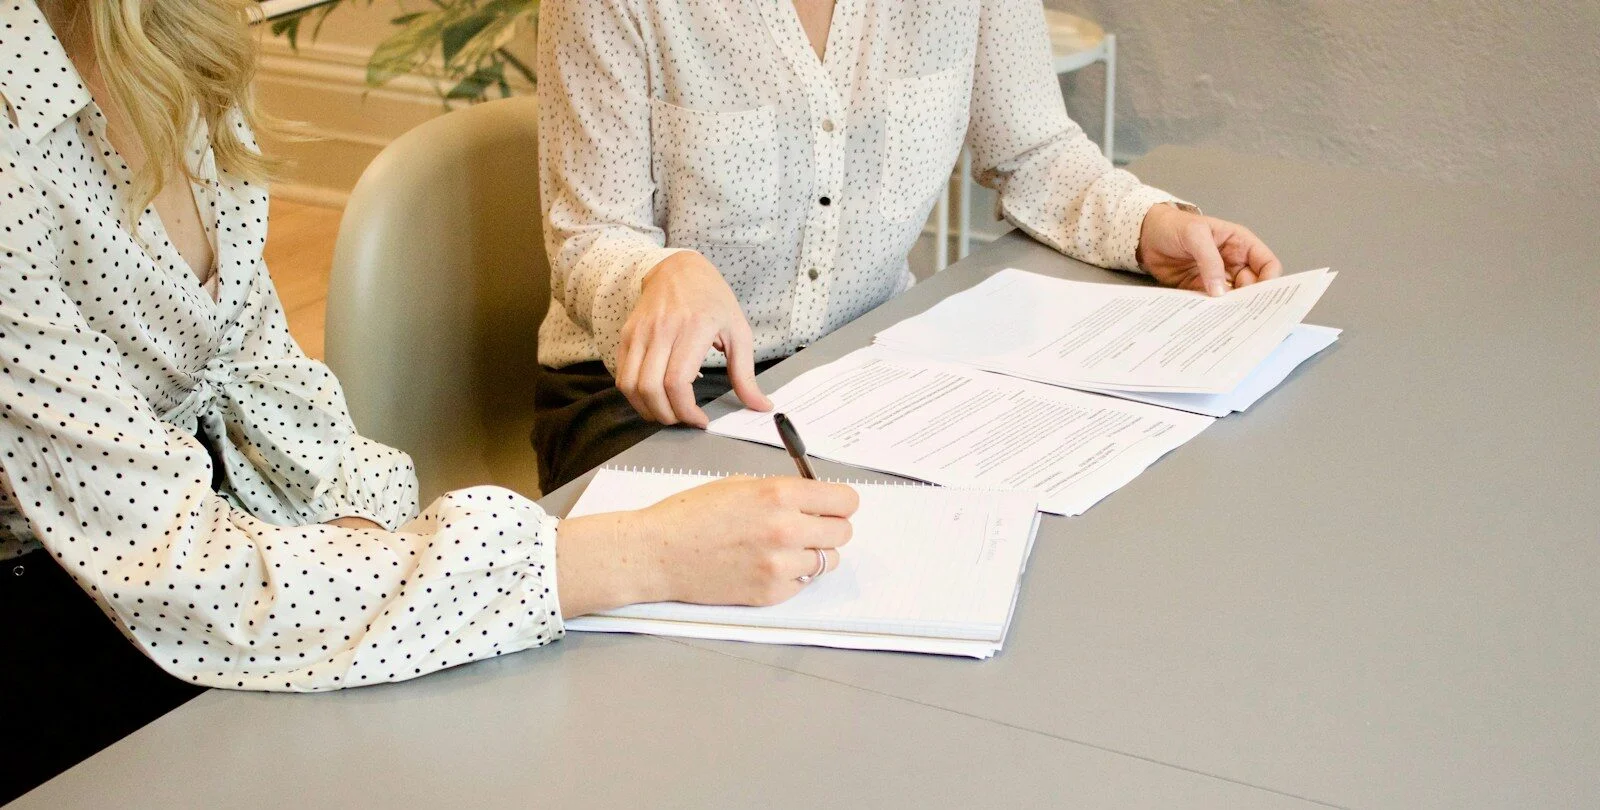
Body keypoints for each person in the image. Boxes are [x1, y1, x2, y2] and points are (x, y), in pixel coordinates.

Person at [0, 0, 857, 800]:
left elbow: (262, 376)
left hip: (214, 550)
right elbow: (189, 577)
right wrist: (643, 556)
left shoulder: (177, 42)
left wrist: (365, 533)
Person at [533, 0, 1286, 491]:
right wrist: (661, 272)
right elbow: (590, 234)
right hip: (649, 397)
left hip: (862, 371)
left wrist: (1149, 224)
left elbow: (1033, 149)